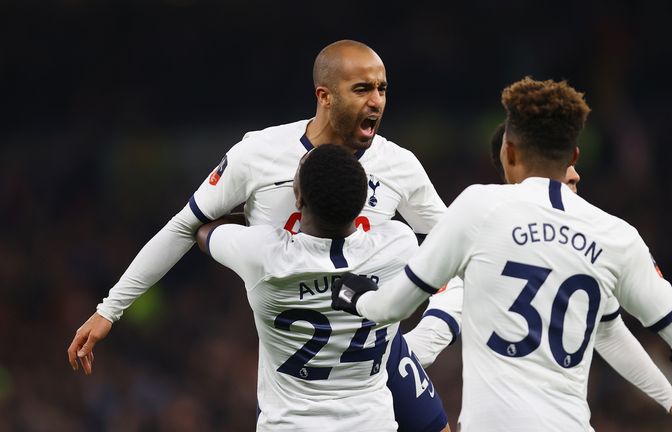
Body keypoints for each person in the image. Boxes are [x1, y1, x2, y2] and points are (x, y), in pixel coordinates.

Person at [68, 39, 449, 432]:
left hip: (373, 350)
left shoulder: (398, 165)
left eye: (382, 89)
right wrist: (111, 307)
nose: (377, 101)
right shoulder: (259, 154)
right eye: (362, 89)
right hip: (302, 358)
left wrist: (433, 332)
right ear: (325, 96)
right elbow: (183, 224)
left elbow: (460, 247)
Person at [332, 77, 672, 431]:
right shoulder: (617, 236)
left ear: (509, 152)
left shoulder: (477, 207)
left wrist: (352, 295)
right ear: (574, 157)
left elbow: (391, 307)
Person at [194, 144, 423, 430]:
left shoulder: (264, 255)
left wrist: (257, 220)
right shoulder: (399, 246)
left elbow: (203, 232)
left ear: (298, 198)